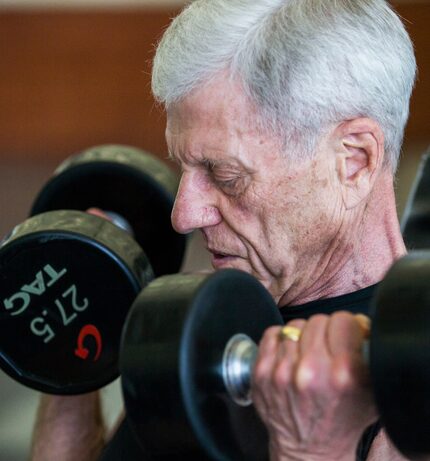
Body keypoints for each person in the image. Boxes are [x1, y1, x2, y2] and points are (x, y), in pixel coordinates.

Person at [30, 0, 417, 460]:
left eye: (226, 176)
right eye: (186, 169)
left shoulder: (414, 376)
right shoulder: (207, 322)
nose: (184, 216)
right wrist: (71, 352)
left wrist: (311, 450)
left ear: (355, 160)